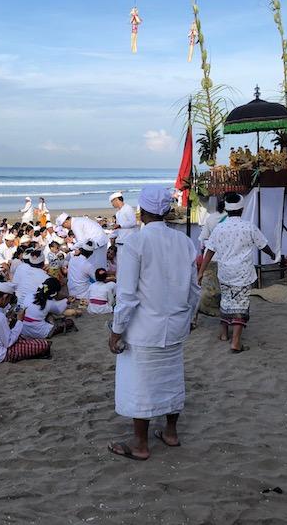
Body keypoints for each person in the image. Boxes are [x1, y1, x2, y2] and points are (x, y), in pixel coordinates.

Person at [107, 185, 200, 462]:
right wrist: (190, 317)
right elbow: (194, 289)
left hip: (144, 328)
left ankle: (140, 444)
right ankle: (170, 433)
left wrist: (116, 330)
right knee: (171, 378)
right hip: (175, 324)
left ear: (141, 211)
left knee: (141, 383)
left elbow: (126, 295)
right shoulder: (184, 242)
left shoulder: (136, 242)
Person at [197, 192, 277, 353]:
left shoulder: (219, 228)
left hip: (225, 273)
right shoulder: (249, 227)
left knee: (225, 301)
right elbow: (263, 245)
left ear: (227, 209)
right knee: (241, 305)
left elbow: (209, 251)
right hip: (243, 274)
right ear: (242, 209)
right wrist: (272, 254)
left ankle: (224, 334)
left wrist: (201, 271)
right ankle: (235, 342)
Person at [0, 281, 51, 363]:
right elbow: (8, 342)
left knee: (23, 338)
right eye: (9, 299)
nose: (8, 303)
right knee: (43, 344)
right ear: (5, 297)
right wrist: (20, 320)